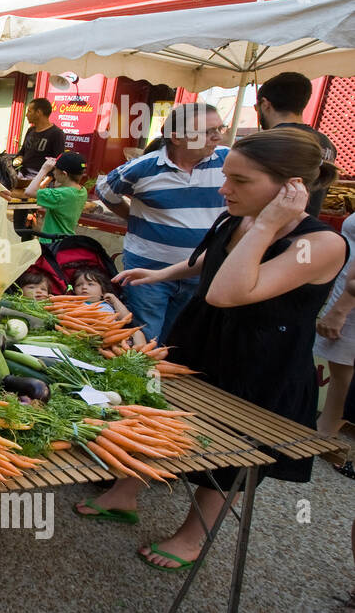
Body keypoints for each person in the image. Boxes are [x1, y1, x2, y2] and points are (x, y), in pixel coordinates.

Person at [87, 128, 345, 569]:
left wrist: (267, 224)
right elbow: (213, 258)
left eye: (240, 181)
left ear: (290, 188)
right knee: (157, 412)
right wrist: (162, 274)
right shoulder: (237, 216)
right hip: (203, 338)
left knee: (231, 453)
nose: (225, 189)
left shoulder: (318, 245)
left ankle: (193, 535)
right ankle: (126, 491)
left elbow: (228, 291)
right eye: (226, 176)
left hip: (260, 361)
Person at [92, 103, 228, 344]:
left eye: (220, 128)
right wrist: (132, 218)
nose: (218, 136)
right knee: (146, 336)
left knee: (179, 337)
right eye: (208, 131)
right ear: (176, 137)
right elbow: (105, 190)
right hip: (147, 271)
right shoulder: (143, 167)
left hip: (201, 271)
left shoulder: (228, 162)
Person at [255, 71, 337, 217]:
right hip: (307, 228)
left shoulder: (268, 141)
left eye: (257, 107)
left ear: (265, 104)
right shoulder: (327, 143)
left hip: (269, 227)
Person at [316, 215, 355, 437]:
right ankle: (326, 431)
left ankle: (325, 434)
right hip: (345, 292)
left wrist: (341, 310)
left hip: (349, 301)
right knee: (340, 372)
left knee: (343, 373)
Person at [25, 152, 88, 242]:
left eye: (55, 169)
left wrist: (44, 169)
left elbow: (29, 192)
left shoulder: (60, 195)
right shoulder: (82, 191)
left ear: (64, 174)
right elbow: (58, 184)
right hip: (65, 241)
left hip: (50, 243)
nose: (53, 172)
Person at [71, 269, 142, 344]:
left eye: (90, 284)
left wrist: (115, 300)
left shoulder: (108, 304)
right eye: (78, 285)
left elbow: (127, 319)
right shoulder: (76, 304)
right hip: (91, 336)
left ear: (103, 290)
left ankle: (141, 353)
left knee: (137, 333)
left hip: (115, 335)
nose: (84, 287)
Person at [18, 97, 66, 177]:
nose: (26, 115)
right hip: (22, 175)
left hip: (40, 179)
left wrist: (45, 182)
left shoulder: (57, 133)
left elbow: (58, 162)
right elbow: (22, 152)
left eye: (29, 111)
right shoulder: (31, 130)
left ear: (38, 112)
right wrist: (18, 160)